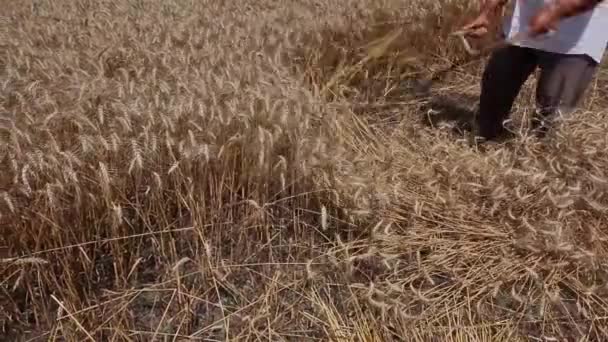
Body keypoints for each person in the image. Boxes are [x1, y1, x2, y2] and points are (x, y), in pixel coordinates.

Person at [461, 0, 608, 143]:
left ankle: (540, 159)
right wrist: (487, 12)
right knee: (494, 95)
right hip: (522, 25)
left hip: (574, 41)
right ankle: (487, 145)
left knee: (552, 117)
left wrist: (555, 11)